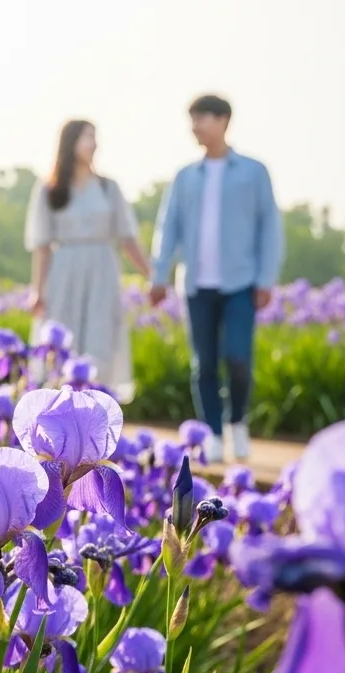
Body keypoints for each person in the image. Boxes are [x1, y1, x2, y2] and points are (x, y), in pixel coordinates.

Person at [150, 95, 283, 462]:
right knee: (204, 364)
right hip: (196, 284)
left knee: (238, 358)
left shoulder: (253, 172)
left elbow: (269, 227)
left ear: (223, 120)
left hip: (241, 282)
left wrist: (266, 279)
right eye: (192, 120)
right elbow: (168, 227)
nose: (195, 127)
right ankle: (211, 433)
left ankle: (237, 423)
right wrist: (159, 275)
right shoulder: (185, 176)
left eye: (202, 119)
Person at [25, 119, 150, 403]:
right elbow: (42, 246)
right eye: (86, 137)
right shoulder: (50, 189)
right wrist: (38, 290)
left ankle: (97, 410)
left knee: (100, 337)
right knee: (61, 339)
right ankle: (57, 411)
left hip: (102, 268)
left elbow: (127, 238)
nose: (93, 143)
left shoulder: (108, 187)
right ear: (70, 143)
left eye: (95, 137)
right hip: (64, 270)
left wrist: (151, 275)